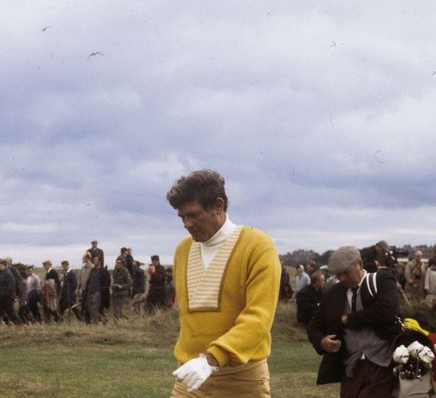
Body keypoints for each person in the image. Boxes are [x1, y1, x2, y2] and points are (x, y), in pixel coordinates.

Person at [166, 169, 281, 397]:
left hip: (242, 379)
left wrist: (211, 359)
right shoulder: (183, 250)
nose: (187, 224)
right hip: (191, 378)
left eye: (193, 215)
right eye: (182, 218)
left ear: (219, 206)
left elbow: (259, 318)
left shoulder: (257, 246)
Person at [307, 246, 400, 397]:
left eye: (345, 272)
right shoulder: (332, 294)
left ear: (360, 264)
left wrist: (347, 319)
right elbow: (314, 327)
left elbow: (386, 311)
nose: (342, 278)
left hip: (384, 363)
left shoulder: (382, 280)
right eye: (338, 275)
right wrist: (322, 342)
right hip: (351, 368)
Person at [0, 258, 20, 325]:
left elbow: (8, 287)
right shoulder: (2, 272)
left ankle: (19, 324)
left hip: (7, 297)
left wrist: (1, 296)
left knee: (11, 312)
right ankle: (0, 324)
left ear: (3, 264)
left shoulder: (7, 273)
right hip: (3, 297)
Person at [85, 255, 110, 324]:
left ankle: (95, 325)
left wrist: (101, 290)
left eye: (96, 260)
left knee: (94, 309)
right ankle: (104, 320)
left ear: (100, 261)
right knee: (89, 308)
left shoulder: (104, 271)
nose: (94, 261)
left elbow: (107, 284)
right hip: (90, 292)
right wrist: (88, 287)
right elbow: (89, 280)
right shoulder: (93, 270)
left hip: (98, 293)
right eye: (94, 260)